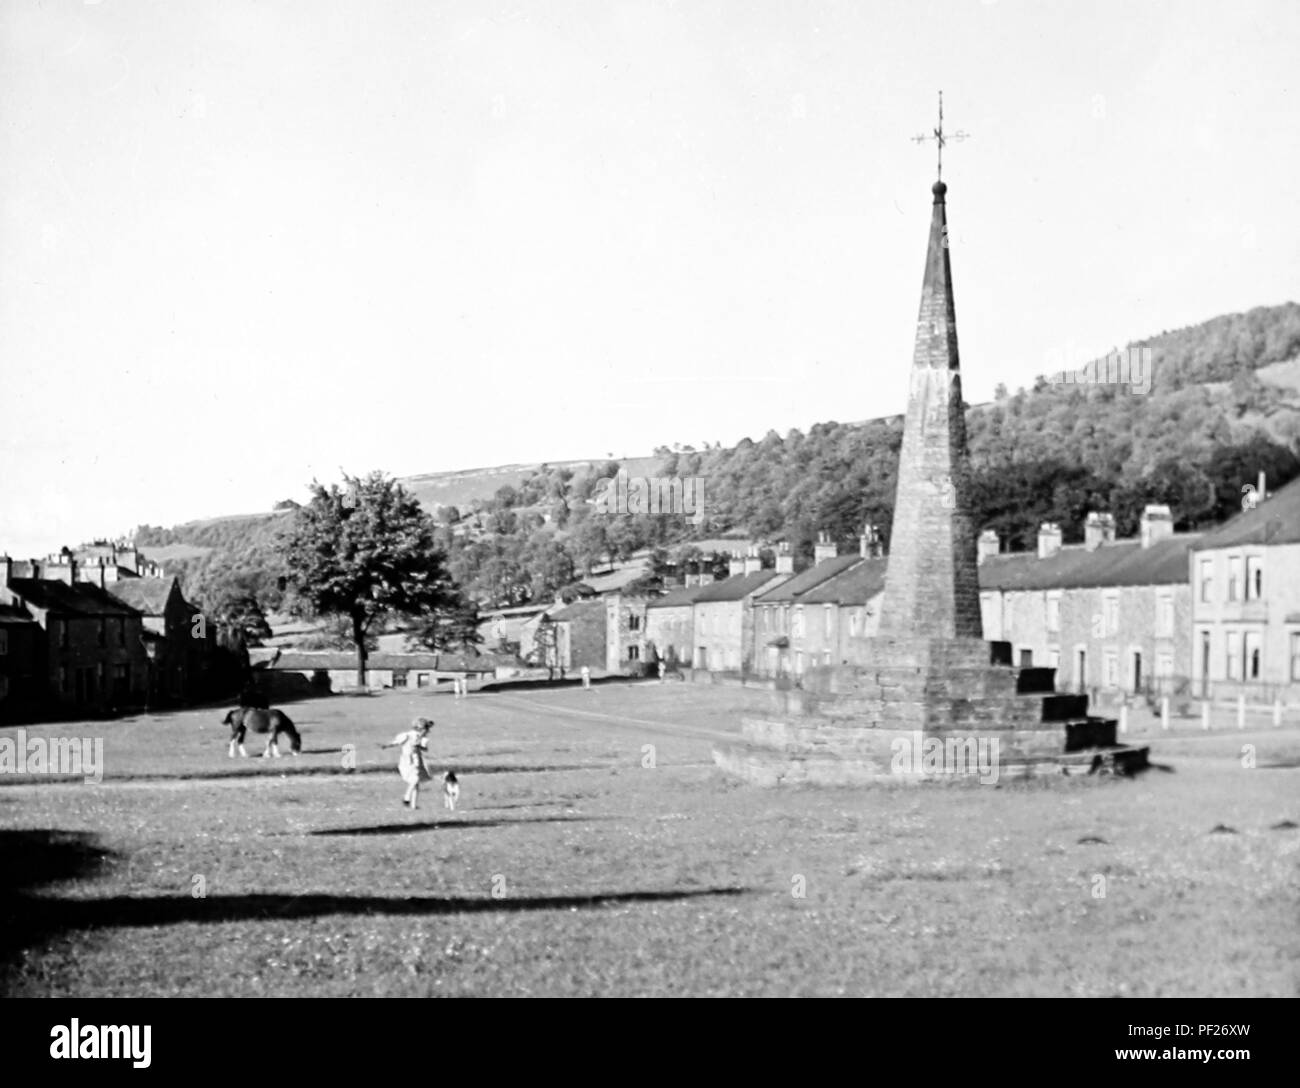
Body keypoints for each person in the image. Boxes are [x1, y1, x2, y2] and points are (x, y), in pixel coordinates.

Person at [380, 717, 434, 809]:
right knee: (415, 779)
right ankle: (407, 797)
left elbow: (425, 749)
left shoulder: (422, 739)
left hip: (417, 760)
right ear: (420, 728)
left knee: (416, 781)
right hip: (407, 760)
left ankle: (413, 805)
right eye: (426, 730)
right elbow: (397, 742)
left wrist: (419, 746)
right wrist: (386, 746)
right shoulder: (408, 735)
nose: (427, 732)